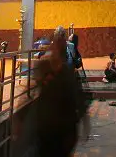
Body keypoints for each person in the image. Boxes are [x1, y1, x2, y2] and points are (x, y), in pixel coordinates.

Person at [32, 28, 87, 157]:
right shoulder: (45, 64)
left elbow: (75, 95)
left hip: (62, 125)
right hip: (50, 124)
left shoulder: (66, 70)